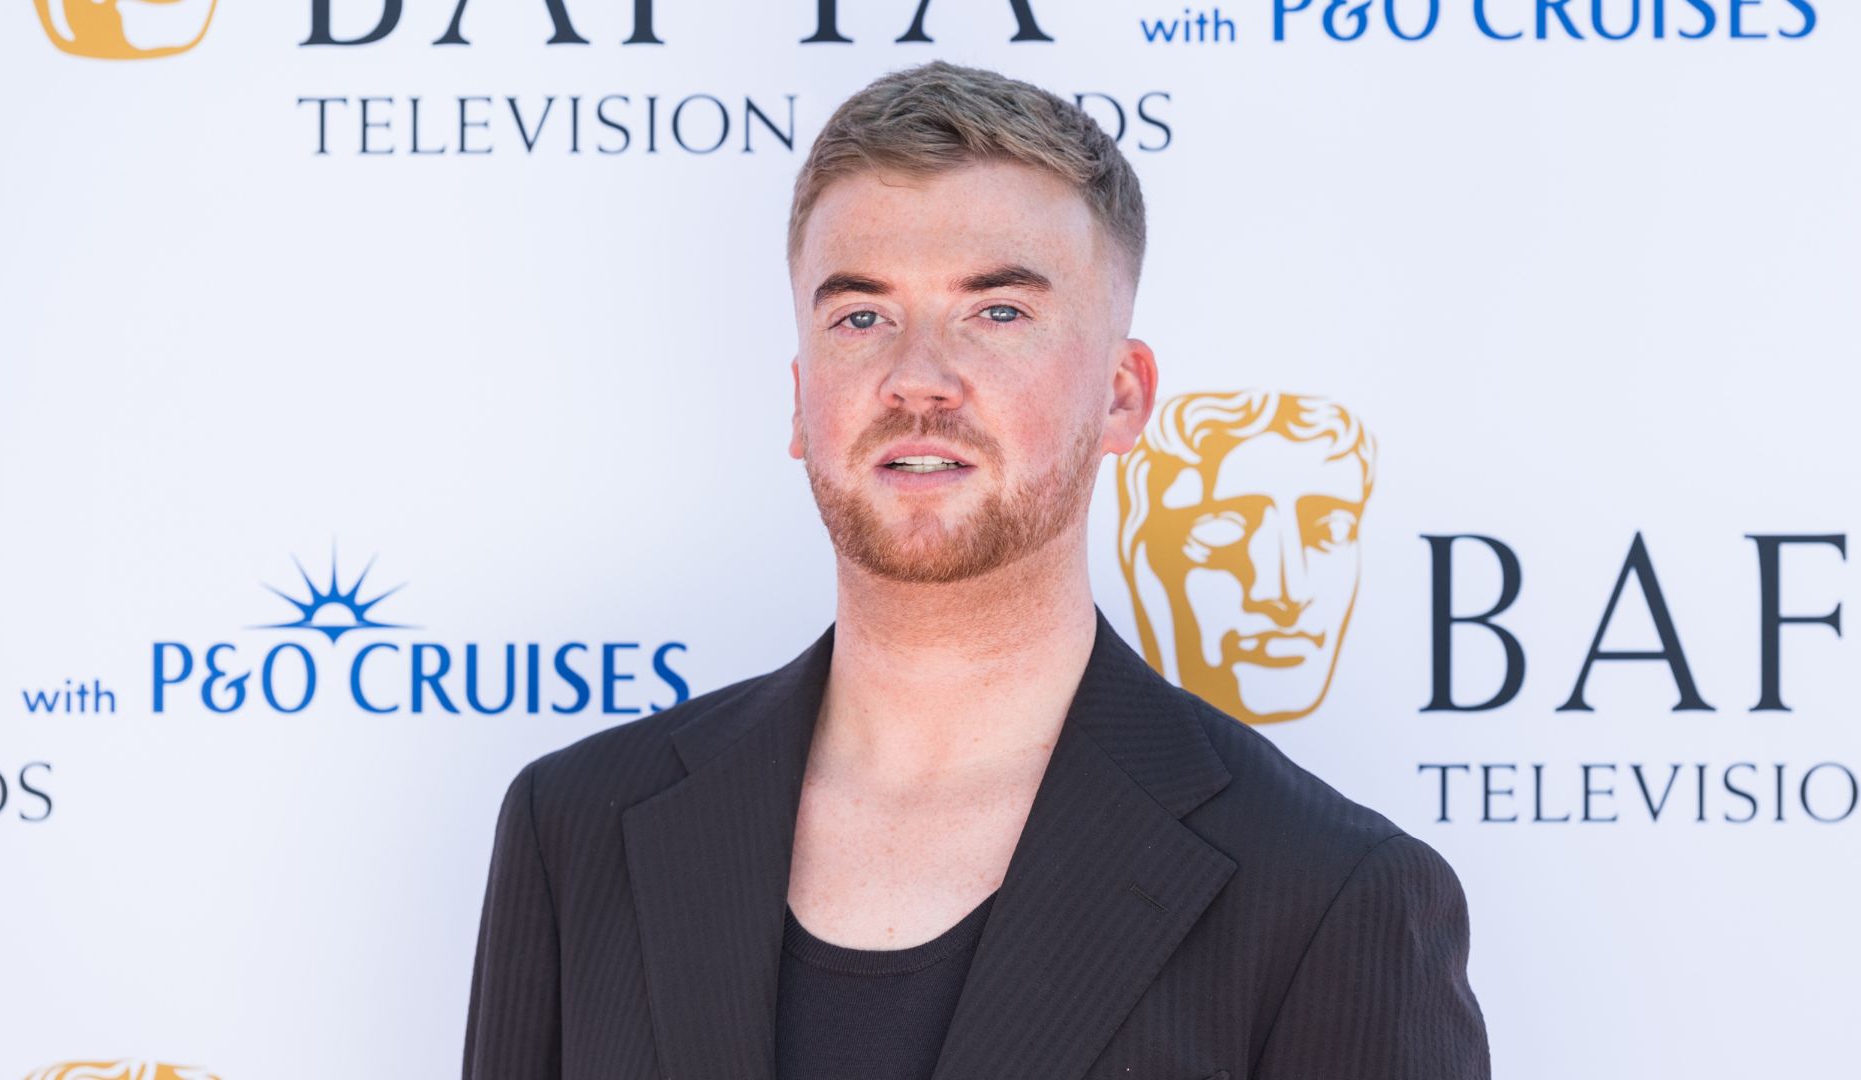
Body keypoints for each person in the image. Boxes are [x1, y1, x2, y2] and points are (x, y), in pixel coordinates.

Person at [462, 59, 1491, 1080]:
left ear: (1124, 396)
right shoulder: (577, 832)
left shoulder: (1328, 896)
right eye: (860, 316)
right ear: (798, 395)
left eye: (996, 313)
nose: (916, 379)